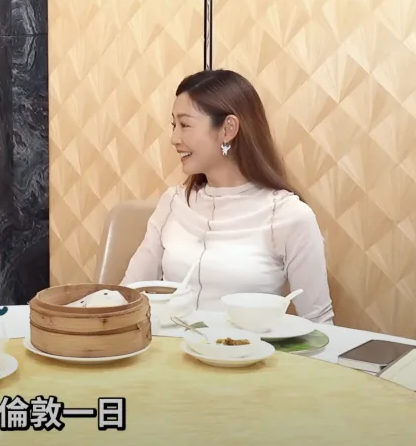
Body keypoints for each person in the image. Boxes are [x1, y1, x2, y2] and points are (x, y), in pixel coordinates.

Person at [121, 69, 334, 325]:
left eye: (185, 125)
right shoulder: (173, 203)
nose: (174, 138)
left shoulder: (288, 215)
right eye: (174, 125)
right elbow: (128, 296)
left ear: (228, 129)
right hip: (169, 347)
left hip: (247, 348)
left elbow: (319, 323)